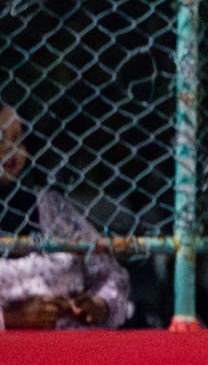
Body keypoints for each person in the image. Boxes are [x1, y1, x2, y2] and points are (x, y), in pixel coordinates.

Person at [0, 94, 133, 331]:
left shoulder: (51, 207)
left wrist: (99, 305)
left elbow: (111, 276)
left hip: (72, 347)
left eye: (17, 139)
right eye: (0, 139)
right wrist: (11, 318)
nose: (12, 150)